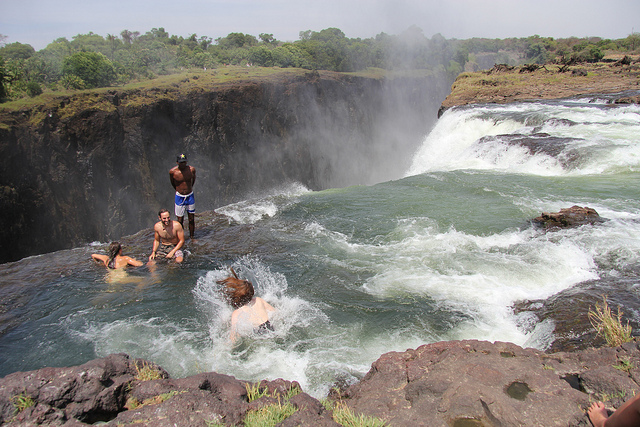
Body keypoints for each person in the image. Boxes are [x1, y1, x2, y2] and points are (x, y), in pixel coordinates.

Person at [217, 272, 276, 343]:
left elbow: (234, 335)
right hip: (269, 326)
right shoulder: (258, 300)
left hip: (255, 333)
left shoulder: (236, 313)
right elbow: (275, 312)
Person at [170, 153, 196, 239]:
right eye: (181, 162)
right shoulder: (173, 172)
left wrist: (189, 188)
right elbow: (172, 183)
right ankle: (181, 238)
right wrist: (179, 190)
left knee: (191, 218)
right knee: (180, 220)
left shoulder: (191, 170)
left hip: (190, 196)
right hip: (179, 197)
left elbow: (193, 180)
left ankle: (192, 237)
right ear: (177, 162)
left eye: (184, 162)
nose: (183, 164)